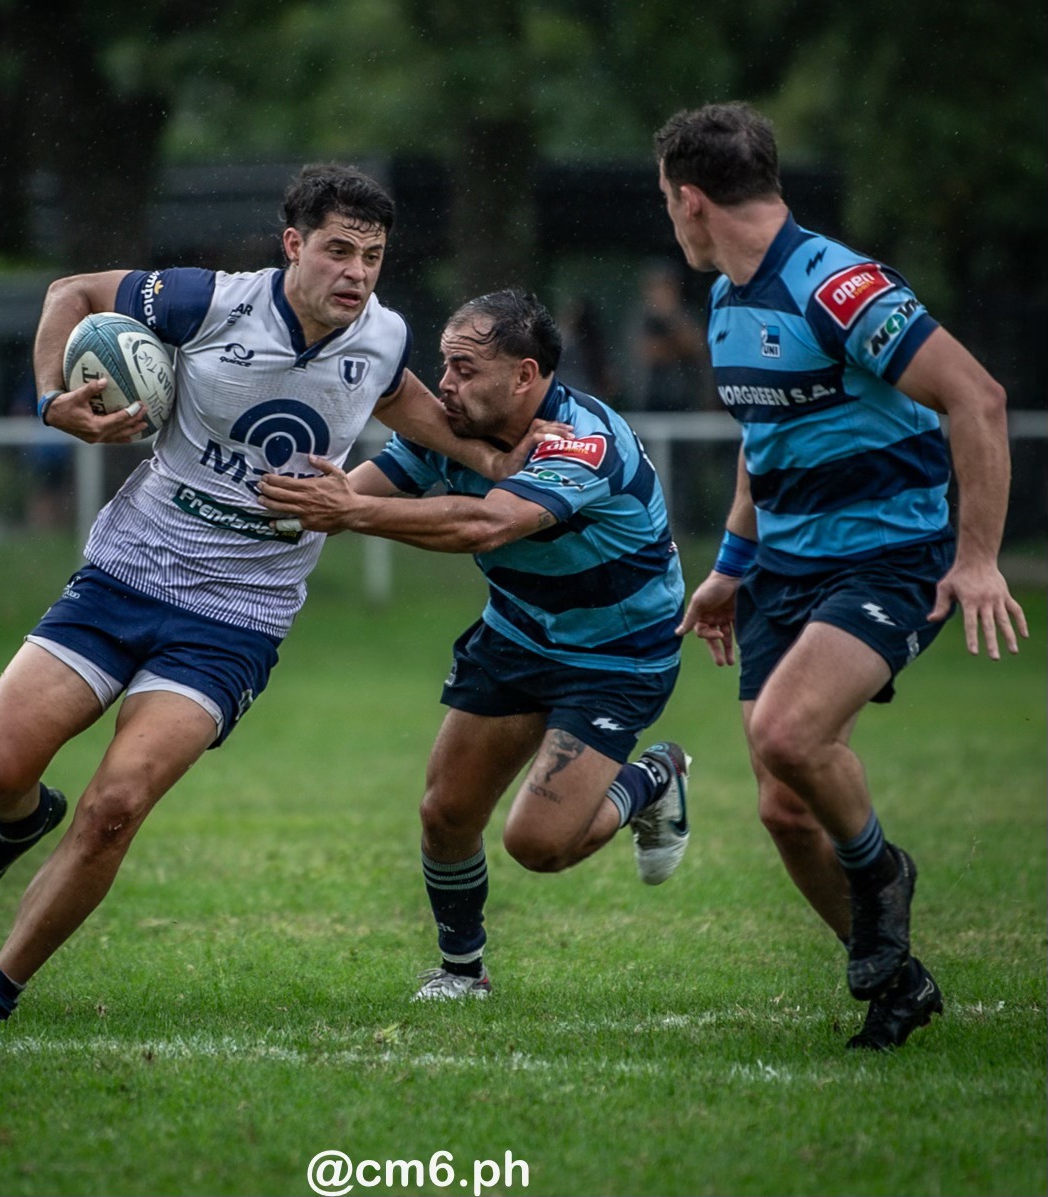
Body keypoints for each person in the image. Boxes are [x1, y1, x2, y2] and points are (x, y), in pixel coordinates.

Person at [0, 164, 564, 1028]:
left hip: (235, 618)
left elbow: (425, 415)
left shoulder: (380, 338)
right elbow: (70, 292)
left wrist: (510, 457)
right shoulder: (206, 301)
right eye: (338, 250)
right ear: (293, 245)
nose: (356, 273)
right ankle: (18, 819)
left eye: (373, 257)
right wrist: (52, 402)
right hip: (124, 575)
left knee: (116, 806)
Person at [654, 102, 1027, 1050]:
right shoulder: (729, 296)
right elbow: (763, 440)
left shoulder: (839, 287)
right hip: (782, 567)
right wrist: (729, 566)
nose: (670, 216)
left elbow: (974, 396)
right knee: (783, 808)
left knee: (787, 732)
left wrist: (976, 558)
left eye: (667, 201)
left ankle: (878, 871)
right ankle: (898, 979)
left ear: (690, 199)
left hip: (890, 556)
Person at [259, 287, 692, 1000]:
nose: (444, 386)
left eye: (463, 369)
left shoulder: (579, 441)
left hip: (615, 656)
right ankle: (463, 970)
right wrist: (266, 494)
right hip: (518, 632)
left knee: (539, 845)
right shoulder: (448, 431)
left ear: (524, 375)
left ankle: (655, 777)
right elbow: (338, 499)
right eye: (442, 366)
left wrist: (351, 511)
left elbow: (484, 526)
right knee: (446, 812)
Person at [632, 261, 709, 412]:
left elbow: (696, 346)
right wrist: (678, 347)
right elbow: (650, 353)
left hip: (688, 399)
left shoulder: (685, 314)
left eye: (667, 286)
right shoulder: (641, 318)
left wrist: (671, 316)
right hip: (651, 400)